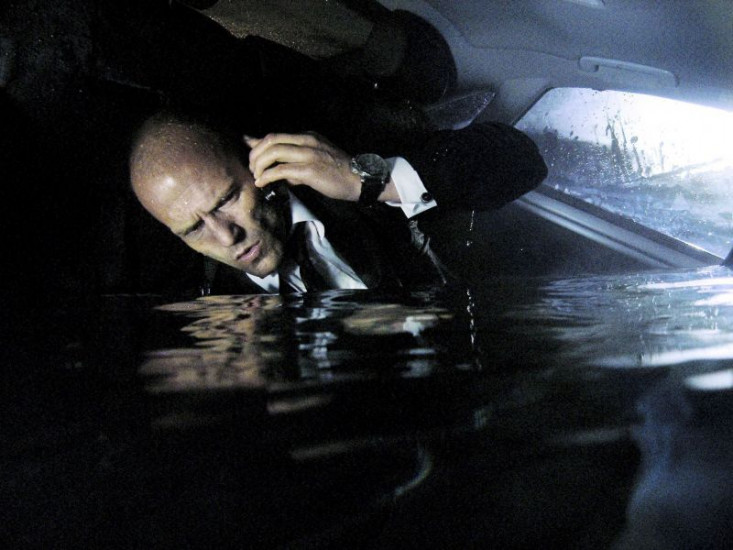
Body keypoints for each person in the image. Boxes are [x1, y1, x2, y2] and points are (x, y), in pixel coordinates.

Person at [129, 110, 547, 294]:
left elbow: (524, 161)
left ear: (256, 156)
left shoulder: (348, 157)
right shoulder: (206, 299)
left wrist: (370, 183)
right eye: (193, 229)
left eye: (227, 199)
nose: (226, 237)